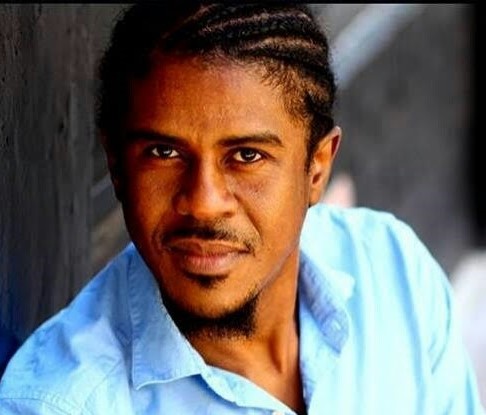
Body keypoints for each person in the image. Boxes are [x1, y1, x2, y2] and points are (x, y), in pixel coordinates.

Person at [0, 2, 484, 414]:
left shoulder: (394, 273)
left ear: (316, 169)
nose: (204, 203)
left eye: (247, 156)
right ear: (117, 168)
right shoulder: (61, 404)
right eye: (164, 152)